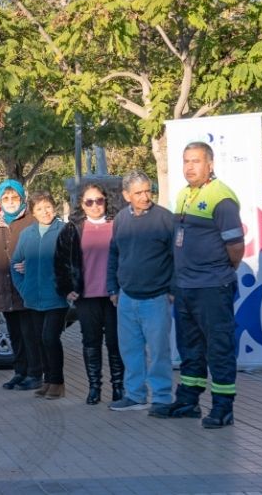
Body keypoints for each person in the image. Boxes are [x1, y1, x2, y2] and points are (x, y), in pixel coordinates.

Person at [150, 142, 244, 429]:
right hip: (186, 286)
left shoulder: (221, 197)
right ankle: (188, 401)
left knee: (219, 348)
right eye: (186, 161)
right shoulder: (184, 194)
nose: (190, 167)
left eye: (196, 161)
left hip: (212, 287)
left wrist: (219, 272)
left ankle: (222, 408)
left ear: (210, 164)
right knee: (190, 347)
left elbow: (236, 247)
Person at [107, 171, 177, 414]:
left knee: (158, 352)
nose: (145, 196)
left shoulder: (165, 219)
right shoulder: (120, 221)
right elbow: (114, 254)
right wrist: (113, 288)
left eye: (148, 190)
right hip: (127, 298)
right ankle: (135, 395)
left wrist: (172, 289)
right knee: (130, 350)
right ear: (126, 195)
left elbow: (178, 255)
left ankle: (161, 398)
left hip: (156, 298)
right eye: (138, 193)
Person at [57, 184, 124, 405]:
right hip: (87, 296)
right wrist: (68, 288)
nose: (95, 205)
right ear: (82, 204)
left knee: (115, 343)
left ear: (106, 200)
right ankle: (94, 387)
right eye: (89, 201)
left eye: (99, 200)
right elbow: (61, 261)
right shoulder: (73, 228)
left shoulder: (118, 225)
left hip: (114, 296)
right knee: (91, 342)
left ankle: (118, 387)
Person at [11, 192, 69, 399]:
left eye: (48, 207)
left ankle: (58, 382)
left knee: (50, 338)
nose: (45, 212)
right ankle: (47, 380)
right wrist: (24, 288)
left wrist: (66, 288)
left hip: (56, 298)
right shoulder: (27, 234)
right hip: (33, 298)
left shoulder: (64, 230)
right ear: (33, 213)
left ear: (54, 207)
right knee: (39, 339)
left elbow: (73, 263)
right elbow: (15, 265)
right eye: (39, 209)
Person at [0, 179, 39, 391]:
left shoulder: (31, 221)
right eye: (5, 198)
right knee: (15, 333)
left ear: (22, 198)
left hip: (26, 288)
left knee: (30, 333)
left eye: (14, 197)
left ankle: (35, 373)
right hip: (5, 287)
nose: (10, 201)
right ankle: (20, 371)